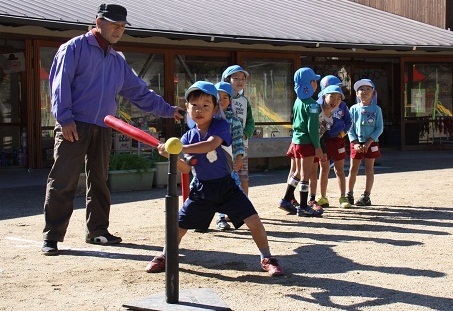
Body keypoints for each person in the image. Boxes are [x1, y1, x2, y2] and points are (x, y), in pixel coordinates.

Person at [41, 4, 184, 256]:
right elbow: (59, 85)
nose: (118, 30)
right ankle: (52, 237)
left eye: (122, 26)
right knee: (63, 180)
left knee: (100, 181)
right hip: (73, 124)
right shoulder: (74, 48)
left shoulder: (118, 60)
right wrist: (65, 119)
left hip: (104, 125)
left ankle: (98, 231)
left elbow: (139, 92)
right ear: (98, 22)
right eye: (113, 24)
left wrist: (167, 109)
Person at [145, 81, 284, 277]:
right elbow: (185, 168)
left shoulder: (221, 126)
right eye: (194, 105)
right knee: (178, 226)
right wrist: (171, 157)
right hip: (201, 189)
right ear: (186, 108)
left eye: (205, 105)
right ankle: (166, 256)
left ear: (215, 108)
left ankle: (267, 258)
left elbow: (210, 145)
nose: (199, 110)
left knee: (253, 221)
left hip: (226, 185)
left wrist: (179, 149)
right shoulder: (186, 138)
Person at [279, 67, 324, 217]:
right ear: (309, 84)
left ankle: (286, 199)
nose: (316, 84)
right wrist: (317, 146)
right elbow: (312, 128)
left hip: (296, 141)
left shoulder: (298, 101)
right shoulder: (312, 104)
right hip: (306, 143)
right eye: (314, 81)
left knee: (297, 172)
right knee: (305, 175)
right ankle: (303, 207)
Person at [315, 76, 352, 208]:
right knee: (324, 169)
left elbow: (349, 121)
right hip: (324, 142)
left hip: (338, 141)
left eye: (339, 92)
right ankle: (323, 197)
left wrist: (343, 133)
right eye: (335, 88)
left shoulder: (343, 106)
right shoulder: (318, 106)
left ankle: (343, 197)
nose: (336, 98)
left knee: (339, 170)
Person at [346, 79, 384, 206]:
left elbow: (379, 127)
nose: (364, 92)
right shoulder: (353, 109)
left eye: (368, 89)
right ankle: (349, 194)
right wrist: (355, 142)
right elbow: (349, 127)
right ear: (356, 93)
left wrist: (369, 141)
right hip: (356, 143)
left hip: (371, 143)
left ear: (373, 93)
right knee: (353, 169)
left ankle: (366, 195)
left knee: (369, 169)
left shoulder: (376, 109)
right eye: (361, 89)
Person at [214, 81, 245, 231]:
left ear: (230, 101)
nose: (221, 101)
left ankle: (232, 214)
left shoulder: (234, 121)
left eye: (225, 98)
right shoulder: (209, 120)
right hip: (211, 163)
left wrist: (239, 157)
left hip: (228, 162)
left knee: (233, 187)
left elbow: (239, 141)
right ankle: (217, 218)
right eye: (217, 97)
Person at [307, 84, 344, 207]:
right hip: (307, 143)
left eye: (338, 98)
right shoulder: (316, 109)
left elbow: (322, 135)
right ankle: (306, 199)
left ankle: (312, 198)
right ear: (323, 96)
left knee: (315, 171)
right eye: (332, 97)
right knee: (306, 172)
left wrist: (323, 151)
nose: (335, 101)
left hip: (318, 145)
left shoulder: (331, 117)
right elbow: (310, 128)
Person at [222, 65, 255, 195]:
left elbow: (251, 122)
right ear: (227, 80)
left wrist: (245, 135)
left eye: (243, 78)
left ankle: (245, 208)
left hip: (241, 146)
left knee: (243, 177)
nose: (240, 81)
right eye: (236, 78)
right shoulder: (219, 99)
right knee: (225, 177)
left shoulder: (244, 101)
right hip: (224, 146)